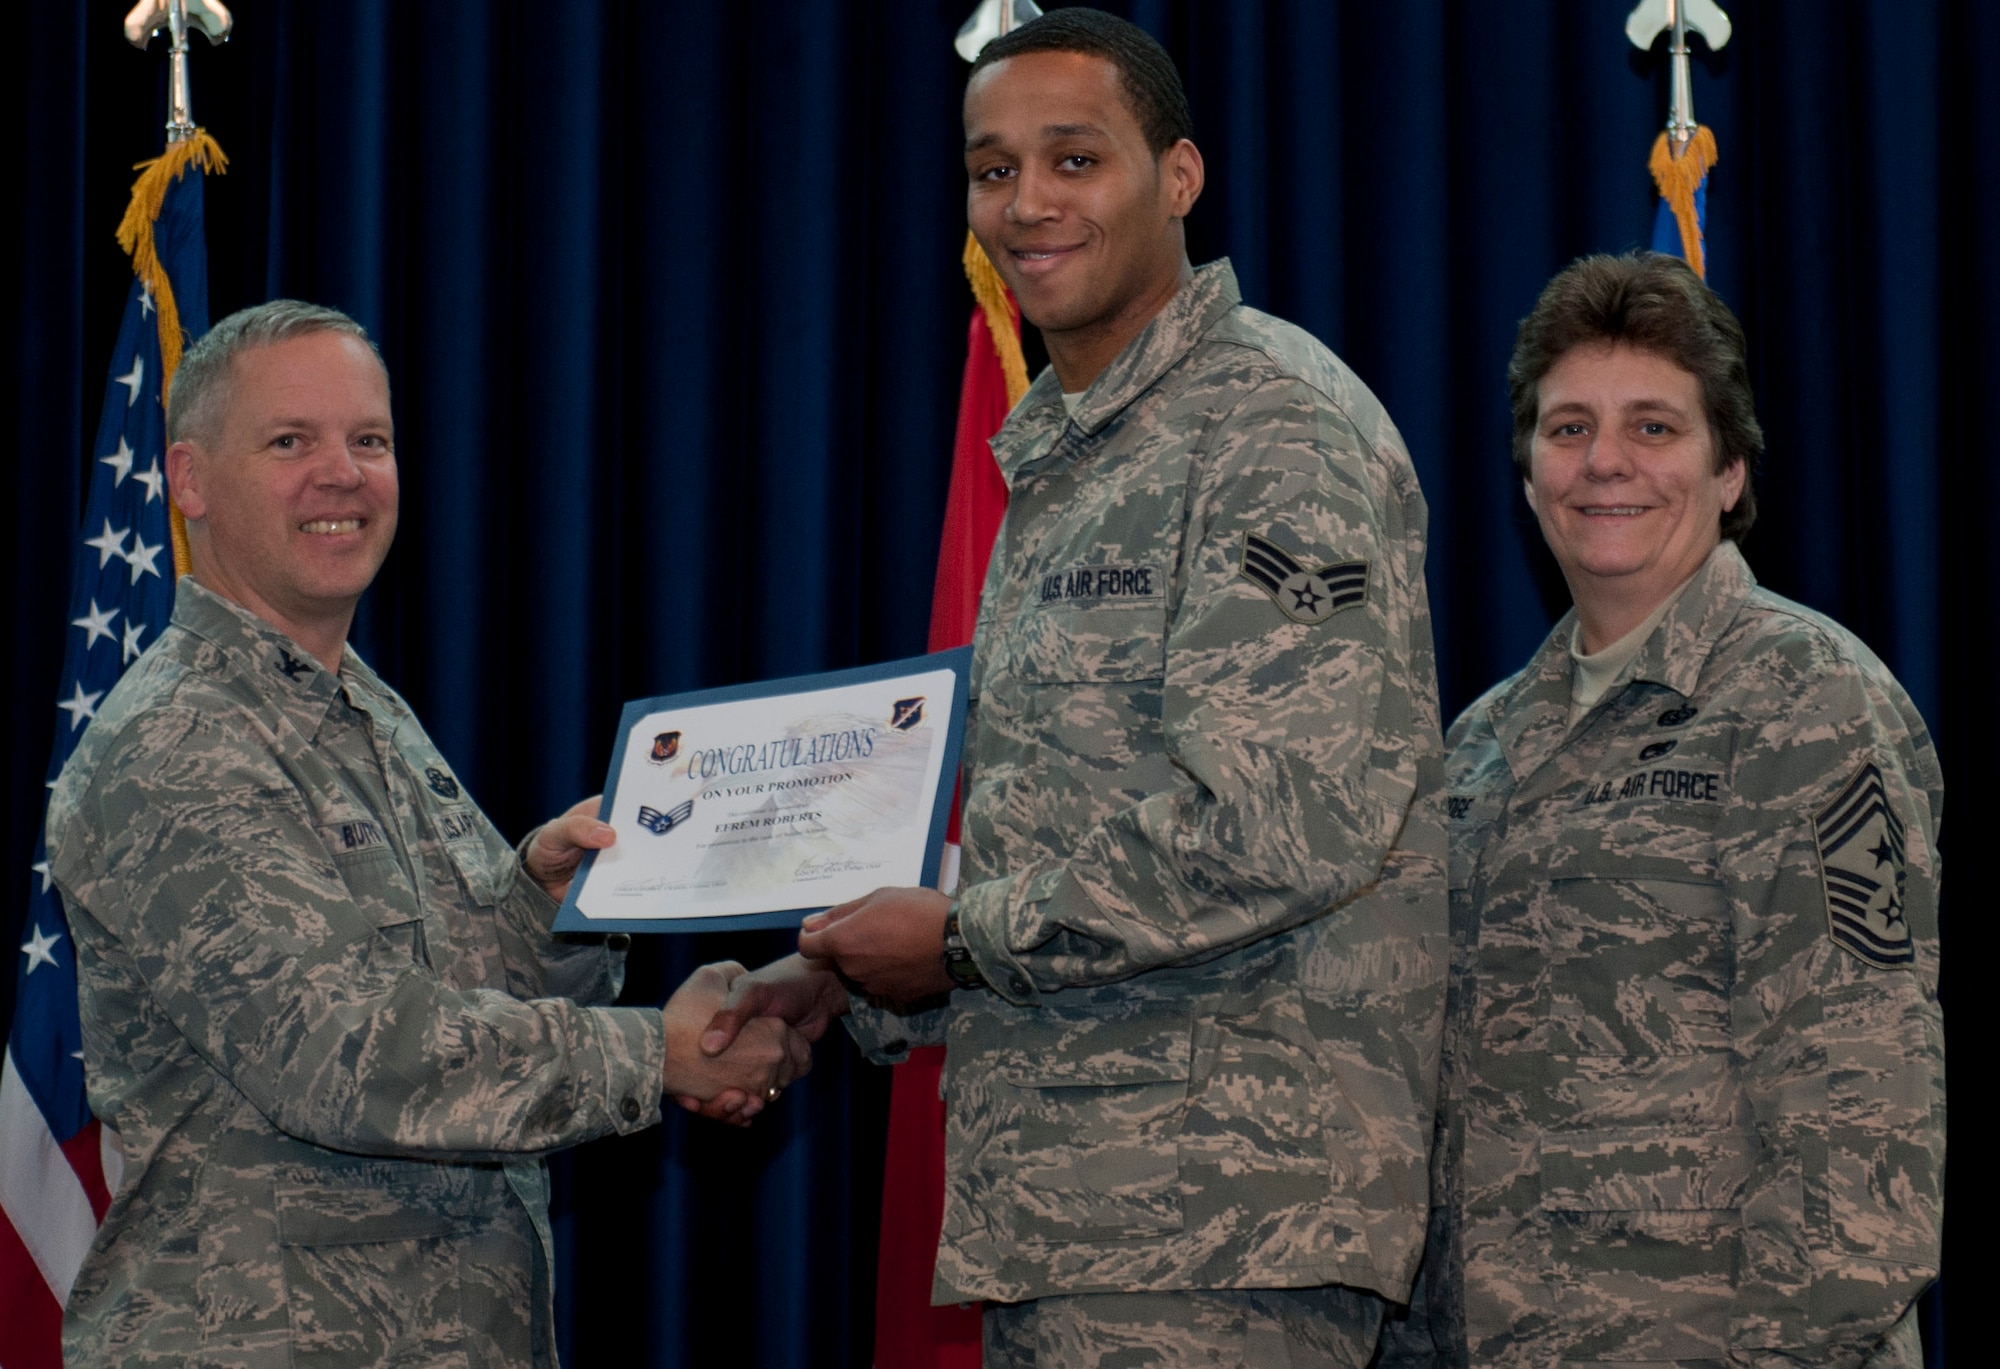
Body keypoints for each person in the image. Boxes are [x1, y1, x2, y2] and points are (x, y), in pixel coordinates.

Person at [695, 10, 1448, 1365]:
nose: (1027, 204)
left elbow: (1284, 823)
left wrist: (962, 938)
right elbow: (1064, 829)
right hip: (1081, 1215)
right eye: (993, 171)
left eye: (1074, 159)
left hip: (1223, 1224)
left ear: (1179, 175)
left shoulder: (1269, 427)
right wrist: (856, 974)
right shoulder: (1067, 451)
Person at [43, 300, 810, 1367]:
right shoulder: (177, 743)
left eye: (369, 440)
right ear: (188, 480)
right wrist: (656, 1053)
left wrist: (544, 908)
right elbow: (347, 1054)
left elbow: (462, 991)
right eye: (288, 442)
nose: (341, 473)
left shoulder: (360, 703)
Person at [1380, 252, 1945, 1367]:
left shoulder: (1805, 700)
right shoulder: (1477, 747)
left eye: (1651, 428)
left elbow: (1859, 1111)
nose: (1602, 463)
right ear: (1527, 469)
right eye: (1566, 428)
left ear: (1728, 469)